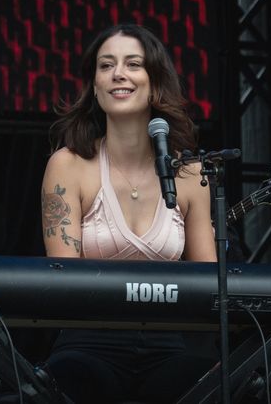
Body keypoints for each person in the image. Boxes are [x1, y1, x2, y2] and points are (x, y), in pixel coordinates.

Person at [41, 24, 218, 403]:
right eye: (106, 66)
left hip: (169, 343)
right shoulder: (68, 165)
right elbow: (63, 278)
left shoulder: (190, 173)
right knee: (71, 381)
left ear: (155, 84)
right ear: (95, 85)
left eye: (132, 64)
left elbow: (208, 284)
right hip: (87, 341)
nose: (118, 73)